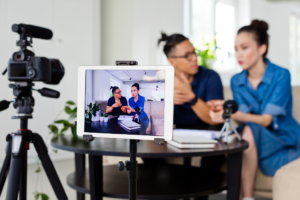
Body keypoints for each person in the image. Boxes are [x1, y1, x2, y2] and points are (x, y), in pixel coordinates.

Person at [209, 20, 300, 200]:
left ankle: (246, 197)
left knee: (247, 133)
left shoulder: (281, 75)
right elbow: (244, 118)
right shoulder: (237, 80)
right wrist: (225, 110)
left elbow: (266, 120)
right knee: (233, 138)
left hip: (281, 137)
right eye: (236, 49)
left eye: (244, 47)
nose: (238, 54)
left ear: (262, 48)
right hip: (252, 135)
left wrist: (230, 112)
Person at [158, 32, 224, 130]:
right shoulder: (161, 81)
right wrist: (166, 101)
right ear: (172, 61)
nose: (194, 58)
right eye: (187, 55)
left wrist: (189, 96)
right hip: (173, 136)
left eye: (194, 52)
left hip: (206, 135)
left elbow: (214, 119)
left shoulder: (211, 77)